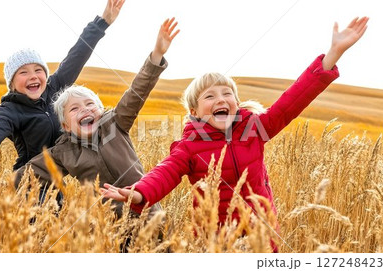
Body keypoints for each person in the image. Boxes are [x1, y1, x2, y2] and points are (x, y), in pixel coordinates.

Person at [101, 17, 369, 248]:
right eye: (210, 96)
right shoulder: (189, 146)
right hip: (216, 242)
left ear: (236, 103)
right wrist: (139, 193)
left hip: (262, 238)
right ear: (194, 111)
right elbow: (165, 172)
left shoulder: (254, 129)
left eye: (227, 93)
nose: (221, 99)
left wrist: (333, 54)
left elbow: (293, 100)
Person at [15, 18, 180, 218]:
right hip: (108, 226)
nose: (85, 110)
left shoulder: (115, 124)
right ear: (66, 125)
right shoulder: (63, 152)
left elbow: (137, 91)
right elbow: (27, 174)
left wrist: (157, 55)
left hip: (148, 213)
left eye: (90, 104)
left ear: (101, 112)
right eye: (74, 108)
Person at [0, 0, 125, 178]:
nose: (33, 76)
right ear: (11, 83)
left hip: (56, 182)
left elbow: (77, 55)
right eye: (23, 72)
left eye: (38, 70)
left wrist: (103, 22)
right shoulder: (9, 111)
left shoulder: (54, 88)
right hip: (29, 181)